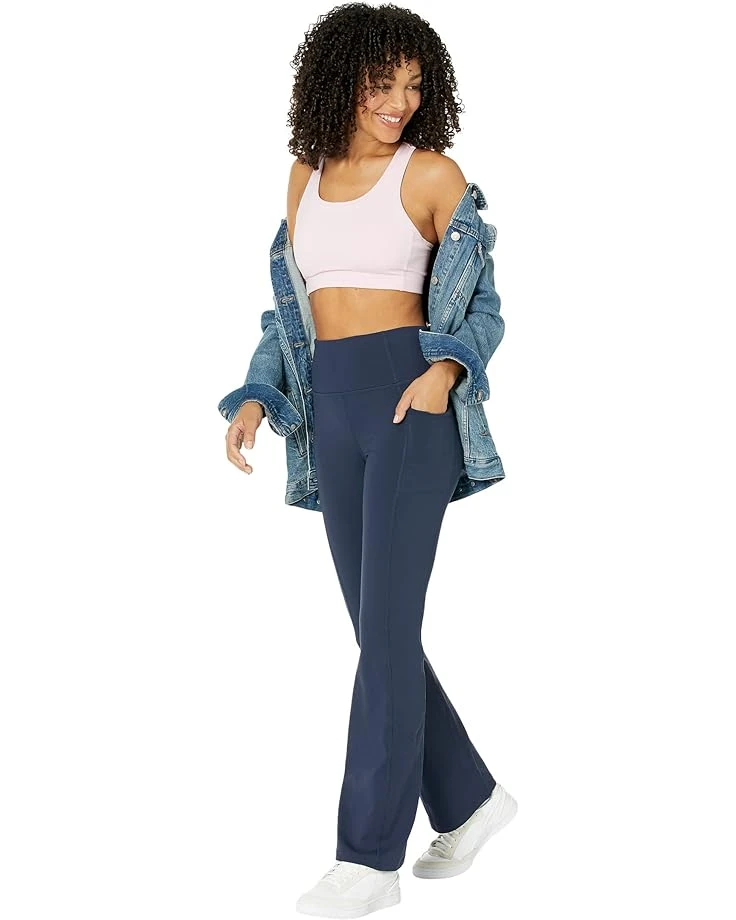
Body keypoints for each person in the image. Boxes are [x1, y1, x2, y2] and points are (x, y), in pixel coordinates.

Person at [219, 4, 517, 917]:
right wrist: (258, 392)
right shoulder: (303, 177)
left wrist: (443, 372)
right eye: (382, 82)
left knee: (385, 630)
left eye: (415, 85)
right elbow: (290, 312)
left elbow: (485, 308)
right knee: (378, 630)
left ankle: (367, 859)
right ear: (339, 79)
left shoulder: (431, 174)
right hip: (330, 409)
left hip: (405, 402)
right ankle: (471, 798)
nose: (400, 101)